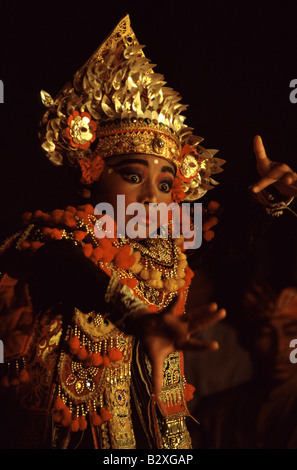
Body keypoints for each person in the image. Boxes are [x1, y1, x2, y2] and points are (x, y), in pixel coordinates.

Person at [0, 14, 296, 450]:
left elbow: (221, 234)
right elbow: (63, 268)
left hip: (153, 433)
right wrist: (136, 315)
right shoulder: (56, 237)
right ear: (93, 172)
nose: (154, 199)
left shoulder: (165, 250)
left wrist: (271, 197)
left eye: (164, 184)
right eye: (133, 176)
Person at [193, 281, 297, 449]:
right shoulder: (215, 413)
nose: (280, 347)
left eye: (292, 332)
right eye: (265, 333)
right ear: (245, 339)